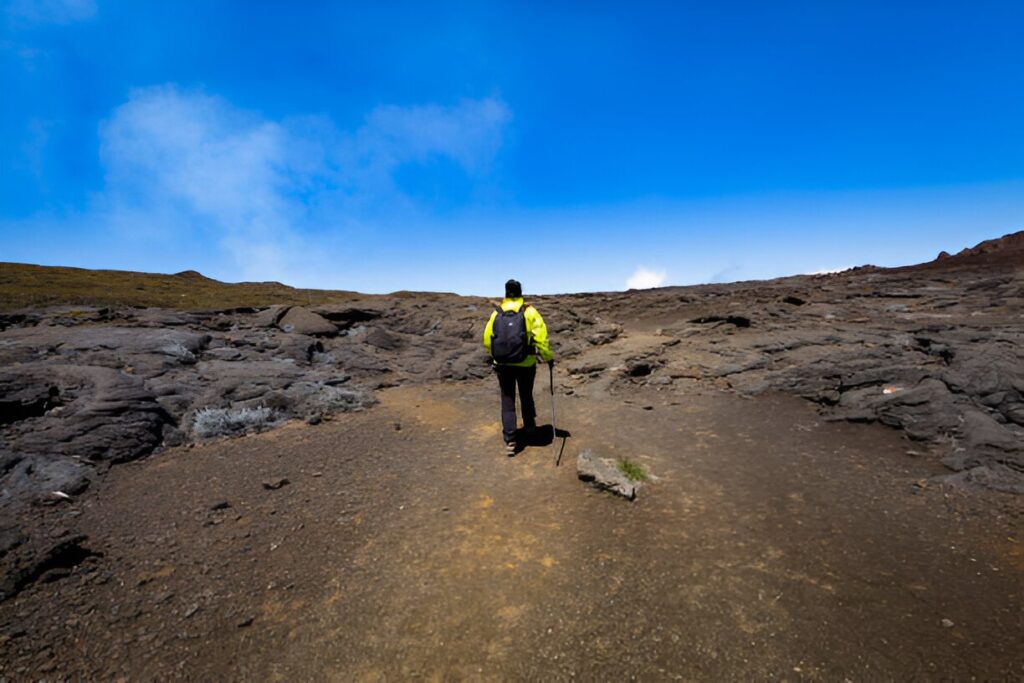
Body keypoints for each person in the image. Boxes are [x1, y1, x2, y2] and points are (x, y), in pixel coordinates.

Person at [482, 279, 554, 456]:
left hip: (503, 365)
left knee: (507, 399)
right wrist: (548, 358)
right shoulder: (529, 311)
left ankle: (511, 440)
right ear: (521, 292)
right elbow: (542, 338)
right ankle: (530, 429)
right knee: (526, 394)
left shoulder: (496, 313)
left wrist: (496, 357)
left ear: (506, 293)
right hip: (526, 363)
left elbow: (487, 339)